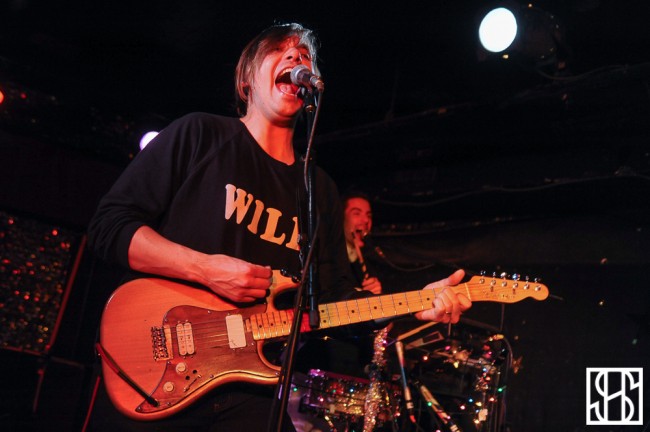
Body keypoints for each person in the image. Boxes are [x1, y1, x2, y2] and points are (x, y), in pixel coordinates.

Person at [85, 22, 471, 432]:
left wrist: (415, 304)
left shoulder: (319, 190)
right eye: (279, 50)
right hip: (163, 368)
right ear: (246, 79)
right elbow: (109, 227)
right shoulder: (200, 134)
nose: (295, 57)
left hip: (253, 389)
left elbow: (332, 301)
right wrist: (205, 269)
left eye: (305, 56)